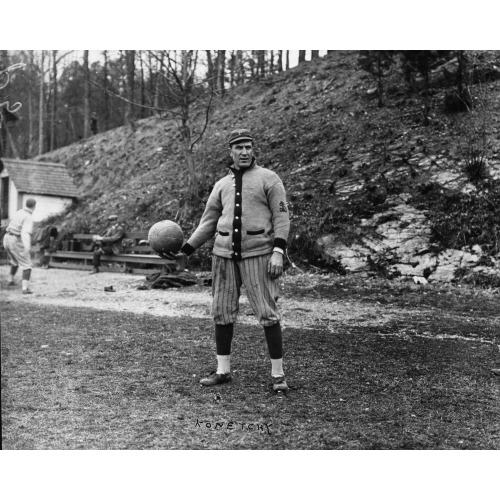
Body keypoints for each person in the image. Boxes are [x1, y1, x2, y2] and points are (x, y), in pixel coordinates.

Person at [179, 128, 291, 392]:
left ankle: (278, 375)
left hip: (259, 254)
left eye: (248, 147)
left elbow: (282, 217)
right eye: (238, 148)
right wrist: (185, 250)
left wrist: (278, 251)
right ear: (230, 152)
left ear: (254, 150)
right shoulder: (221, 185)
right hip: (223, 256)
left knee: (267, 312)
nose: (244, 152)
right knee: (222, 312)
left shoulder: (269, 179)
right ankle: (223, 371)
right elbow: (207, 223)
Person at [3, 198, 37, 294]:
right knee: (27, 265)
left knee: (15, 261)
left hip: (6, 238)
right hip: (15, 239)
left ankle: (10, 280)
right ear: (34, 206)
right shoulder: (28, 216)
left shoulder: (19, 212)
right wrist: (27, 248)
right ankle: (25, 289)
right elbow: (25, 233)